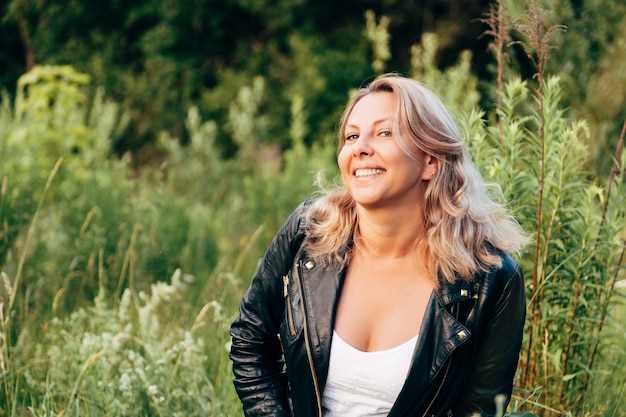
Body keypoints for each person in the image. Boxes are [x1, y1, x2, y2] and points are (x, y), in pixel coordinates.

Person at [229, 73, 528, 417]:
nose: (360, 147)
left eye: (384, 133)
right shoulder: (308, 233)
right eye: (352, 136)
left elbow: (479, 410)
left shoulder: (490, 280)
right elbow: (250, 338)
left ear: (430, 160)